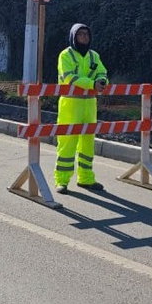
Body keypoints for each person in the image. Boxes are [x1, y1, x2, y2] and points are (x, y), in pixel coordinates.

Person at [54, 23, 108, 194]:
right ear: (73, 37)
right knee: (67, 143)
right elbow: (69, 77)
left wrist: (102, 81)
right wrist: (92, 83)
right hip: (70, 105)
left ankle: (86, 179)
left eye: (86, 34)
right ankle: (61, 181)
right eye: (80, 34)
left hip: (89, 104)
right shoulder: (66, 55)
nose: (84, 37)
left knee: (87, 144)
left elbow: (102, 72)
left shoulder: (94, 55)